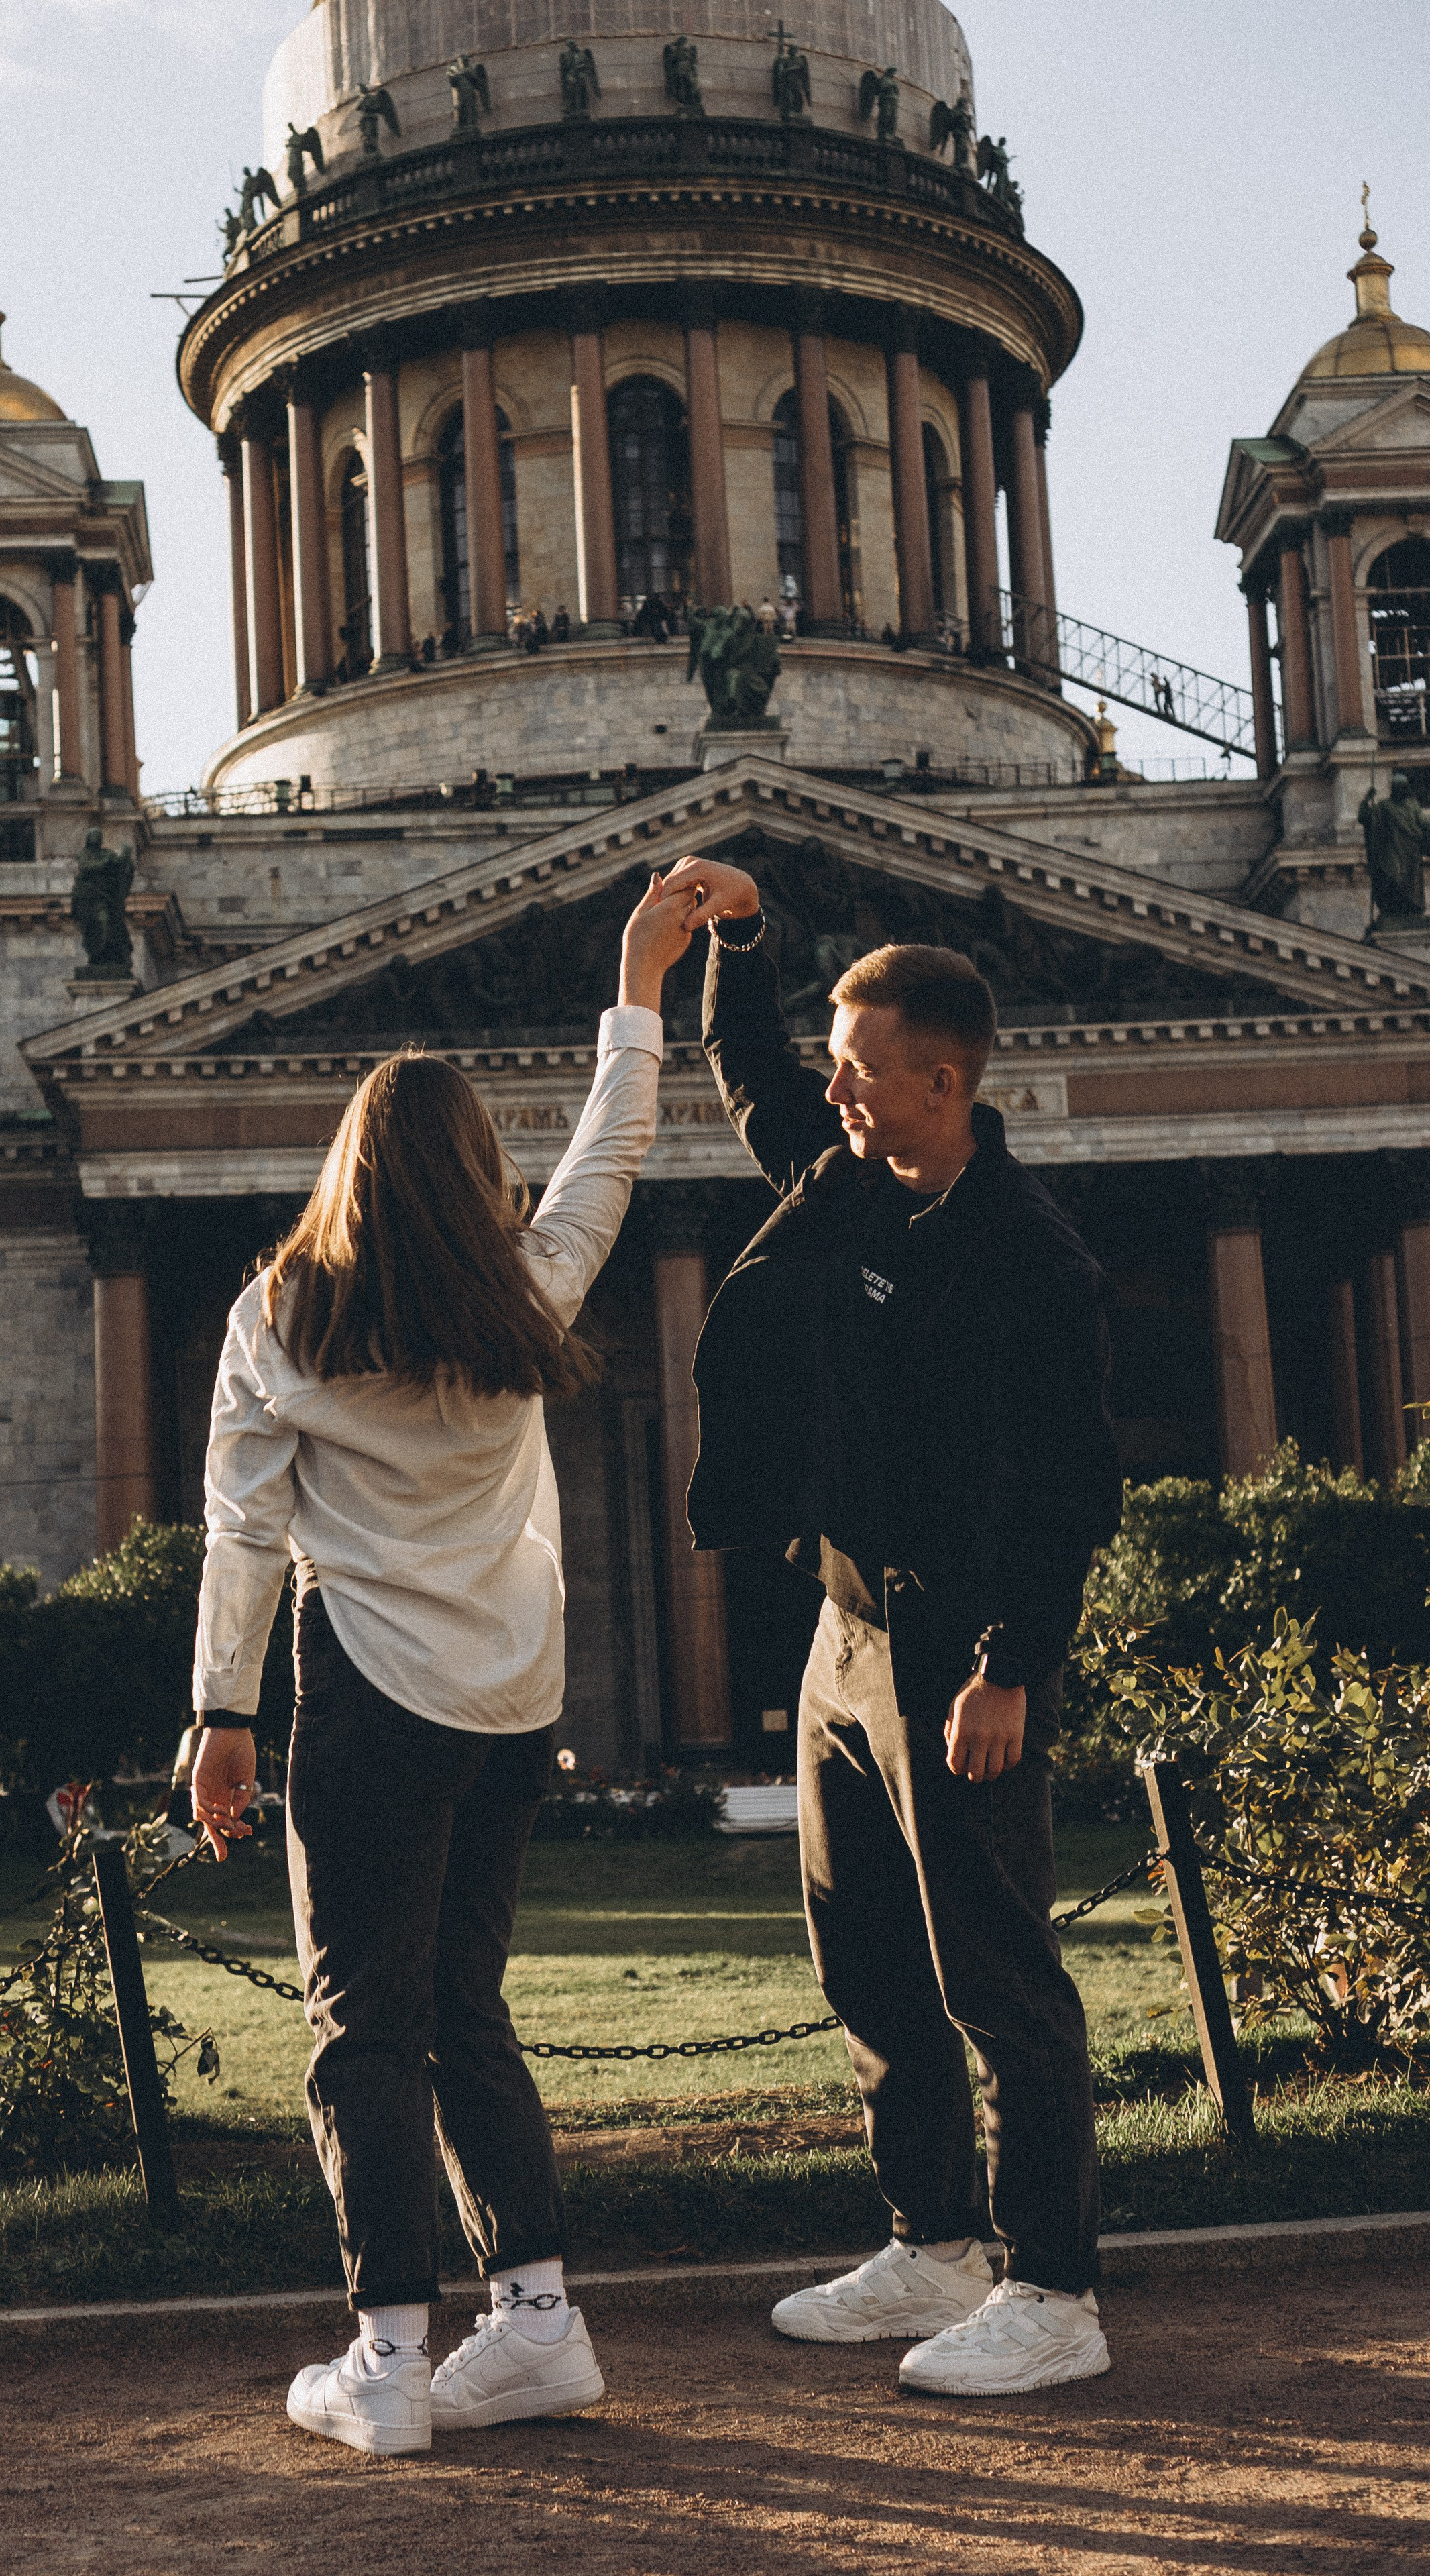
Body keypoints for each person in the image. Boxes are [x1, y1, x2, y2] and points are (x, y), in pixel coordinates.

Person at [189, 873, 701, 2457]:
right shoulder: (528, 1296)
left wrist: (218, 1714)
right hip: (513, 1706)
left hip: (369, 1703)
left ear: (347, 1170)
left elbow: (243, 1534)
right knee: (465, 2006)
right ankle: (538, 2323)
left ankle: (390, 2356)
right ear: (481, 1169)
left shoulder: (278, 1315)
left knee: (361, 2024)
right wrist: (634, 982)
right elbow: (611, 1148)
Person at [657, 854, 1123, 2399]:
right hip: (842, 1638)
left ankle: (1052, 2288)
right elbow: (749, 1080)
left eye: (858, 1071)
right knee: (865, 1961)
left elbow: (1068, 1488)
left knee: (998, 1977)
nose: (833, 1091)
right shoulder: (850, 1173)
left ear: (940, 1081)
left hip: (955, 1656)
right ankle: (932, 2243)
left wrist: (1009, 1670)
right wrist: (738, 938)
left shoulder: (1030, 1259)